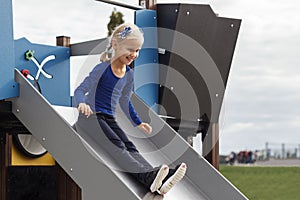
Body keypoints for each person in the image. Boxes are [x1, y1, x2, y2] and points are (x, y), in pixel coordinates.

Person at [73, 23, 186, 195]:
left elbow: (125, 101)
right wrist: (82, 103)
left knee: (130, 146)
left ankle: (157, 178)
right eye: (130, 49)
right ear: (116, 45)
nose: (134, 54)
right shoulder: (102, 69)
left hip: (108, 118)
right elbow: (81, 89)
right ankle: (148, 176)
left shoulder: (128, 75)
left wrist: (138, 122)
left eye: (137, 50)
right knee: (117, 145)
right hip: (90, 119)